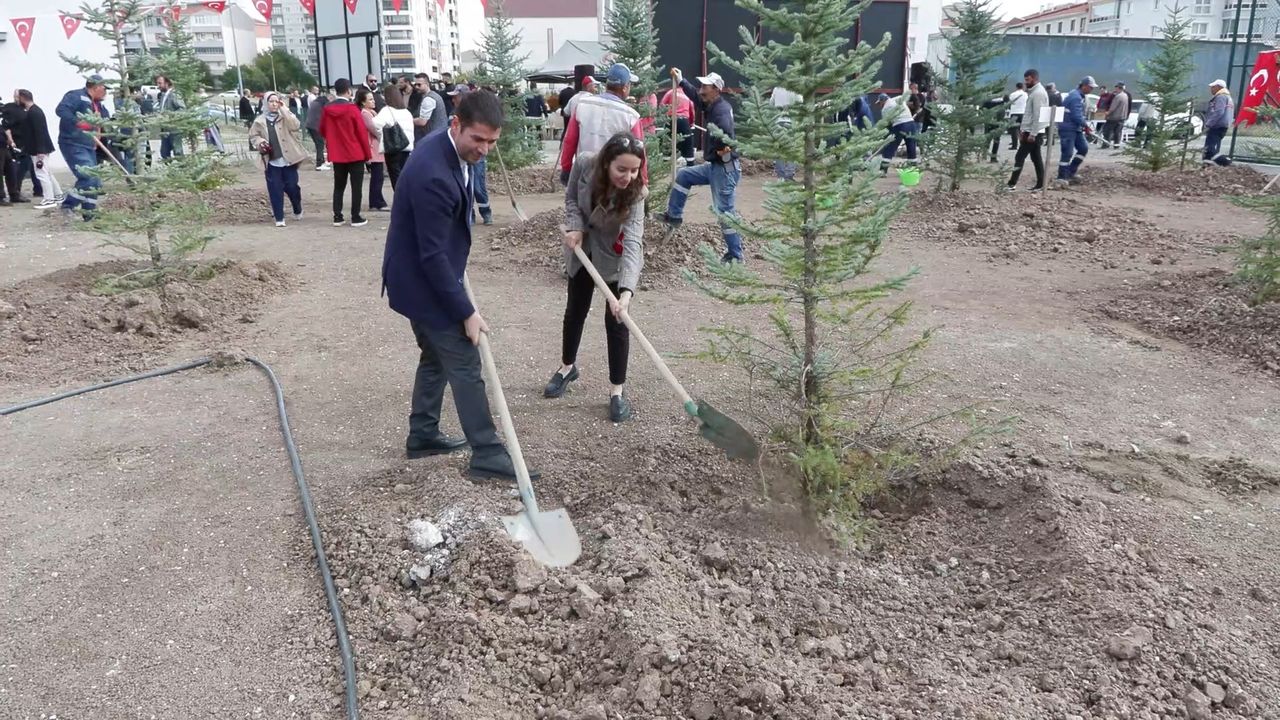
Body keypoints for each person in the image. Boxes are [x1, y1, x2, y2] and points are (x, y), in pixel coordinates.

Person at [380, 90, 538, 480]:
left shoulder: (449, 150)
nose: (484, 149)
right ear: (456, 125)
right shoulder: (433, 173)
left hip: (427, 276)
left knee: (435, 357)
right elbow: (431, 257)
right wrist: (466, 312)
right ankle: (486, 452)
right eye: (478, 139)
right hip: (423, 284)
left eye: (492, 141)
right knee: (466, 363)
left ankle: (423, 435)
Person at [545, 132, 647, 422]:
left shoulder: (636, 195)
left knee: (617, 321)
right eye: (621, 169)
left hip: (613, 260)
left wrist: (626, 293)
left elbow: (633, 244)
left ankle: (617, 391)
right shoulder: (585, 165)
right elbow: (572, 200)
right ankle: (567, 368)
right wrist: (576, 227)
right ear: (606, 164)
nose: (628, 176)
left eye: (634, 170)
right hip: (582, 251)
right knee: (575, 311)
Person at [657, 69, 744, 263]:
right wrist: (681, 81)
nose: (701, 90)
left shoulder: (720, 111)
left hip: (724, 169)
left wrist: (725, 150)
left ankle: (736, 255)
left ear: (716, 90)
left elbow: (727, 134)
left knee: (725, 212)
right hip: (715, 166)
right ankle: (674, 215)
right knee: (684, 175)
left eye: (705, 87)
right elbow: (695, 98)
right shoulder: (712, 105)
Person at [559, 63, 645, 184]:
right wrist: (643, 180)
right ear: (625, 87)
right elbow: (639, 152)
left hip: (585, 176)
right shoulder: (631, 116)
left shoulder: (582, 106)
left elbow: (570, 140)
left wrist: (566, 168)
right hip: (614, 181)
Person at [56, 74, 111, 220]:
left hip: (89, 145)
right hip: (73, 143)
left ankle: (89, 213)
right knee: (88, 176)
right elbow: (61, 110)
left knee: (95, 181)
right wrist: (78, 122)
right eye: (104, 89)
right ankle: (68, 205)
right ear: (96, 87)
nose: (106, 92)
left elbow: (105, 119)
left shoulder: (98, 104)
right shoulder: (75, 96)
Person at [319, 78, 371, 227]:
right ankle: (355, 216)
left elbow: (322, 129)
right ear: (349, 91)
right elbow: (361, 133)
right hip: (355, 153)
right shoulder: (353, 109)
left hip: (337, 153)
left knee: (339, 186)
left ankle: (338, 216)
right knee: (356, 187)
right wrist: (367, 154)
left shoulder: (327, 109)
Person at [248, 92, 305, 227]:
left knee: (292, 187)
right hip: (272, 161)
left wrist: (284, 109)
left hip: (288, 159)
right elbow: (253, 136)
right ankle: (279, 217)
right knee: (275, 189)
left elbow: (295, 125)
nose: (274, 104)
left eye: (276, 101)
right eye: (271, 101)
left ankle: (297, 207)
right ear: (266, 103)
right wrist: (260, 142)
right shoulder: (259, 121)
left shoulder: (285, 116)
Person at [9, 89, 61, 209]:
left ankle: (49, 199)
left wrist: (41, 150)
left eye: (16, 97)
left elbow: (39, 132)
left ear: (22, 98)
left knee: (41, 174)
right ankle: (58, 195)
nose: (15, 100)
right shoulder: (34, 111)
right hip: (38, 148)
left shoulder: (34, 112)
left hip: (39, 149)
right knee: (47, 172)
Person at [1005, 68, 1049, 192]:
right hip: (1032, 132)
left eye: (1028, 80)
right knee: (1036, 158)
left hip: (1033, 133)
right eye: (1025, 80)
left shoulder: (1038, 94)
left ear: (1035, 78)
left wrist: (1033, 133)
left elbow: (1037, 115)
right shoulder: (1034, 92)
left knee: (1019, 157)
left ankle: (1011, 184)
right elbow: (1030, 114)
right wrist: (1024, 130)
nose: (1026, 82)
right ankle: (1041, 184)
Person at [1056, 76, 1096, 187]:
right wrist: (1086, 126)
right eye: (1090, 87)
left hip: (1076, 128)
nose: (1091, 89)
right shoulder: (1075, 97)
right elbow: (1076, 115)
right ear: (1083, 86)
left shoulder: (1079, 96)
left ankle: (1070, 172)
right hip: (1068, 128)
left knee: (1083, 148)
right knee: (1067, 153)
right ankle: (1061, 177)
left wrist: (1083, 126)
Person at [374, 85, 415, 190]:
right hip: (406, 147)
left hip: (392, 147)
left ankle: (399, 202)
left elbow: (375, 124)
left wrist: (380, 134)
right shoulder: (407, 112)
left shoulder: (386, 111)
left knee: (395, 177)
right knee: (404, 177)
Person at [357, 88, 388, 213]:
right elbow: (374, 129)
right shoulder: (365, 114)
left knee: (378, 176)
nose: (373, 101)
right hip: (373, 148)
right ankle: (376, 202)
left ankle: (377, 200)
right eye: (370, 99)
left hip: (376, 147)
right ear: (363, 102)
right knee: (377, 176)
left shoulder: (371, 113)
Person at [878, 92, 920, 174]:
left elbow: (887, 125)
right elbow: (910, 97)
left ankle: (883, 170)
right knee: (911, 146)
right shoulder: (899, 98)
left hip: (899, 125)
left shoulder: (884, 110)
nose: (880, 105)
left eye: (879, 103)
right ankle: (913, 170)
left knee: (890, 147)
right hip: (911, 123)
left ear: (882, 101)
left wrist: (886, 138)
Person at [658, 81, 696, 165]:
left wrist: (663, 118)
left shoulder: (670, 92)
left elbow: (662, 106)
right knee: (688, 144)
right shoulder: (687, 95)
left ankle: (665, 165)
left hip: (670, 119)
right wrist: (691, 123)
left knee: (667, 143)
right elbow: (692, 111)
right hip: (684, 120)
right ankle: (690, 165)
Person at [770, 85, 801, 179]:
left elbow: (771, 103)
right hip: (792, 122)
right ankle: (789, 174)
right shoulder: (796, 88)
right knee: (792, 149)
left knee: (779, 149)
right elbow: (801, 102)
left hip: (778, 121)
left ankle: (781, 175)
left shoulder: (777, 88)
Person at [1203, 79, 1233, 166]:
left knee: (1210, 150)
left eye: (1213, 87)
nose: (1211, 89)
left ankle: (1226, 162)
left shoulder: (1221, 97)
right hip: (1222, 125)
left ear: (1219, 87)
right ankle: (1206, 166)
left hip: (1216, 126)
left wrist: (1209, 123)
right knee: (1208, 150)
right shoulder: (1228, 97)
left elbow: (1219, 112)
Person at [410, 73, 447, 142]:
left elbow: (422, 121)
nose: (416, 87)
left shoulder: (429, 99)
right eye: (415, 84)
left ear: (427, 84)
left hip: (434, 137)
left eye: (419, 85)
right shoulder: (433, 96)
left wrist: (407, 120)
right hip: (438, 135)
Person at [155, 74, 185, 159]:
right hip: (165, 130)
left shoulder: (174, 94)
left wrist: (170, 116)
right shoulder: (162, 95)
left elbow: (182, 109)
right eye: (157, 83)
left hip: (174, 130)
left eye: (160, 83)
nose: (158, 86)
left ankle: (182, 170)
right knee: (164, 153)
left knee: (178, 153)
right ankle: (171, 170)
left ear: (167, 83)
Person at [306, 87, 330, 170]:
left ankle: (322, 161)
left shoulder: (315, 102)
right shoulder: (322, 104)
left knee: (319, 143)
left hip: (310, 125)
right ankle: (319, 164)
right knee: (320, 144)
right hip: (315, 126)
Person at [1104, 82, 1129, 149]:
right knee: (1118, 132)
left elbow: (1113, 107)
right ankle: (1116, 145)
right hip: (1122, 117)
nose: (1115, 89)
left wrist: (1107, 113)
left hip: (1114, 117)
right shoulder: (1125, 95)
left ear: (1118, 88)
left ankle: (1106, 144)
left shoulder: (1118, 96)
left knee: (1107, 131)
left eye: (1116, 87)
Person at [1006, 81, 1027, 150]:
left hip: (1014, 113)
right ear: (1023, 87)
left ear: (1016, 87)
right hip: (1023, 113)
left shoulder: (1012, 94)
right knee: (1022, 130)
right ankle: (1023, 145)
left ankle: (1014, 145)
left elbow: (1009, 103)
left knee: (1014, 131)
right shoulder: (1026, 94)